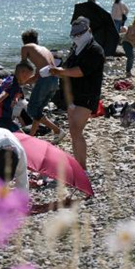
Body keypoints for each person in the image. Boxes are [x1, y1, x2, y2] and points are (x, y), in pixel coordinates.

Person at [50, 16, 105, 170]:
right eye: (75, 34)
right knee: (74, 132)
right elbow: (69, 66)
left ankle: (82, 167)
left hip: (87, 95)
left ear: (89, 30)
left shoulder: (95, 50)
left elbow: (81, 71)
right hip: (72, 95)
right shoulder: (76, 48)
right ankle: (79, 165)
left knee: (76, 130)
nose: (77, 37)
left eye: (80, 33)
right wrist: (57, 65)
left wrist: (61, 71)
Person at [20, 29, 65, 142]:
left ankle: (57, 130)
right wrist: (24, 83)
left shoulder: (25, 48)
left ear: (24, 41)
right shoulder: (45, 51)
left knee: (31, 109)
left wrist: (18, 80)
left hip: (45, 80)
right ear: (37, 40)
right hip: (54, 80)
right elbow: (38, 75)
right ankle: (31, 136)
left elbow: (23, 68)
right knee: (38, 110)